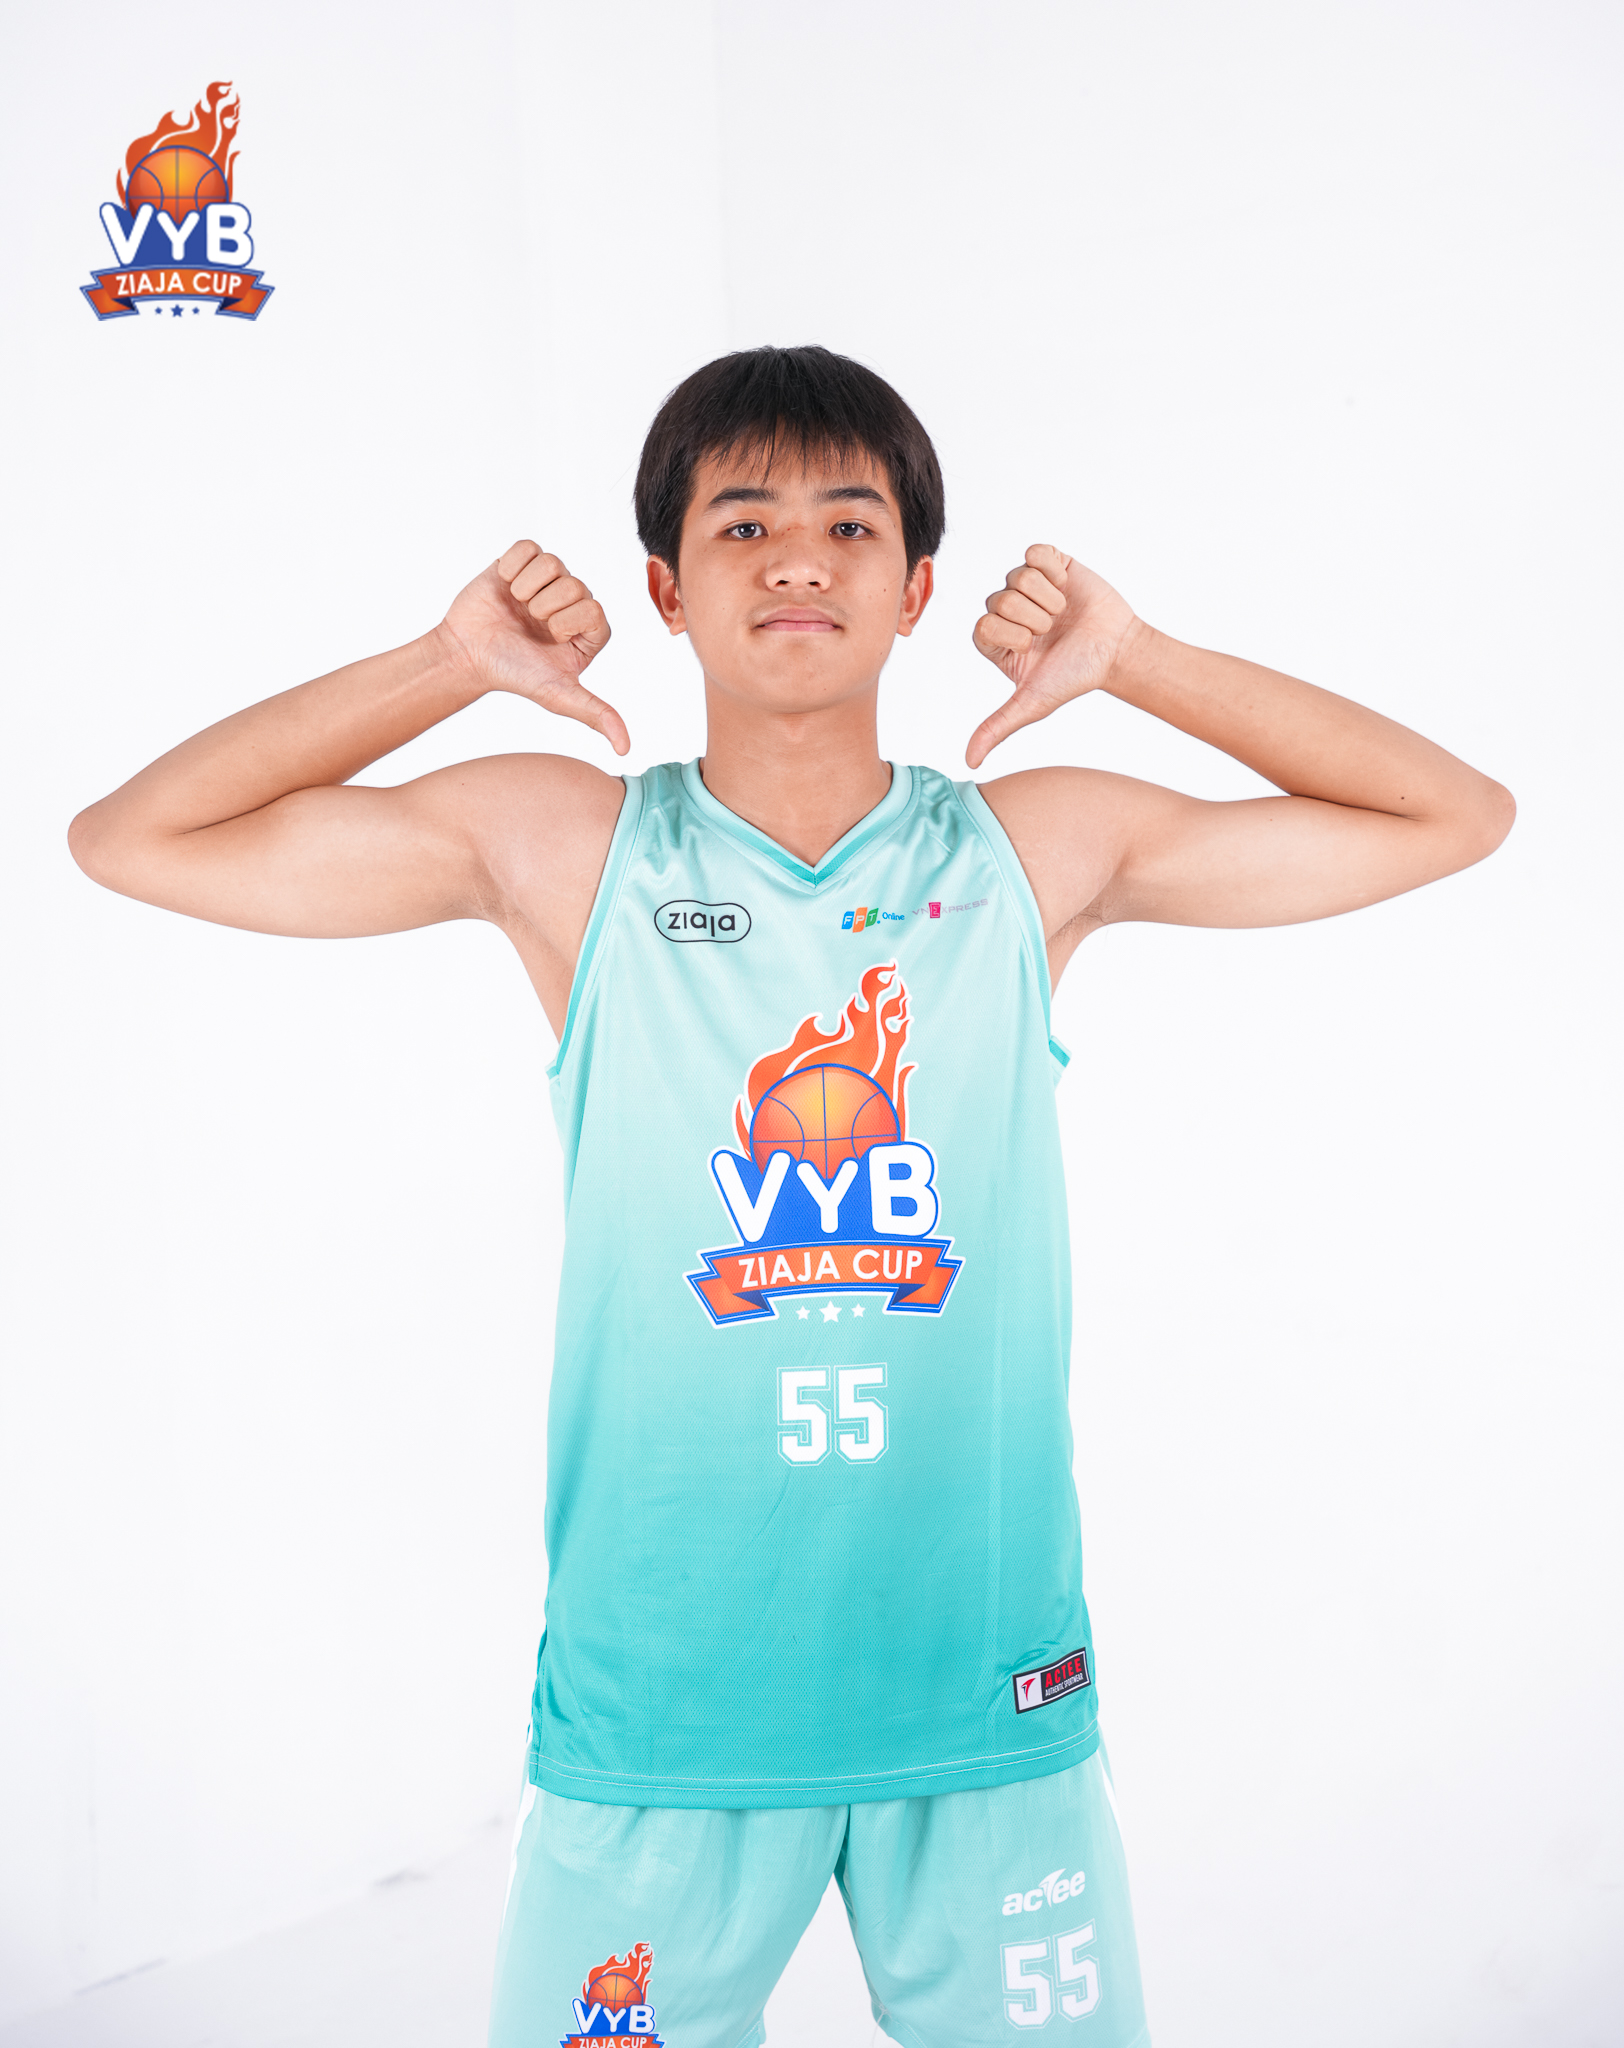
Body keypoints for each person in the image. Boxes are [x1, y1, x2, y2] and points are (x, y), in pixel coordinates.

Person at [68, 345, 1513, 2048]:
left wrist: (1139, 660)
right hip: (666, 1708)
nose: (798, 562)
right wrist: (447, 665)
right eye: (743, 525)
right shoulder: (573, 849)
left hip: (982, 1697)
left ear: (918, 589)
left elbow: (1454, 812)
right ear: (666, 590)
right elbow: (134, 839)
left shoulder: (1028, 852)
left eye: (850, 523)